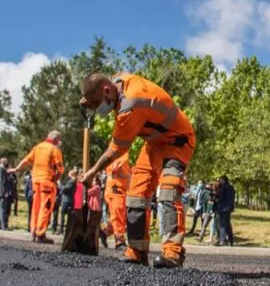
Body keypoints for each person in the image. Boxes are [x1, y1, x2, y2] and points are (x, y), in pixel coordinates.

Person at [78, 72, 196, 269]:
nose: (98, 108)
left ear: (107, 91)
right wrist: (91, 99)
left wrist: (91, 173)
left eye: (98, 102)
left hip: (177, 140)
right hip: (153, 144)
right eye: (94, 103)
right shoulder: (117, 82)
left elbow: (116, 149)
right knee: (135, 195)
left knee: (168, 191)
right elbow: (101, 86)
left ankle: (173, 254)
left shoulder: (131, 105)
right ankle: (137, 250)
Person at [9, 130, 65, 244]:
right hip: (47, 182)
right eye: (59, 139)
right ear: (56, 139)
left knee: (36, 207)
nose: (60, 142)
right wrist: (56, 179)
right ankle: (41, 234)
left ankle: (34, 231)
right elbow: (60, 168)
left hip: (36, 182)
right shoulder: (55, 150)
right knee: (45, 208)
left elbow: (26, 160)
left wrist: (16, 169)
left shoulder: (38, 147)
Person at [102, 149, 131, 250]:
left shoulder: (119, 154)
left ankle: (105, 232)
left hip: (118, 189)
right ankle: (119, 240)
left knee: (118, 215)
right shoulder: (119, 154)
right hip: (116, 189)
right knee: (118, 214)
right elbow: (116, 168)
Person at [53, 170, 78, 235]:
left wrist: (59, 184)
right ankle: (65, 229)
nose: (68, 174)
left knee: (62, 214)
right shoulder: (72, 182)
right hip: (69, 200)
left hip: (67, 200)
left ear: (71, 174)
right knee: (66, 214)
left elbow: (64, 189)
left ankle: (61, 229)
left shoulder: (72, 182)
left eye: (69, 173)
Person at [0, 157, 15, 230]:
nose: (7, 164)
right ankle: (3, 226)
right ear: (4, 163)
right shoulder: (1, 170)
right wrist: (5, 192)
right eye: (6, 162)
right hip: (1, 192)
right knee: (2, 209)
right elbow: (2, 182)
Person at [214, 175, 235, 246]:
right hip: (229, 208)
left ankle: (222, 240)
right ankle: (231, 240)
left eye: (220, 180)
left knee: (222, 224)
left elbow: (221, 198)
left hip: (222, 208)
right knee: (228, 224)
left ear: (223, 180)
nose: (220, 182)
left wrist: (216, 199)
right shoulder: (231, 187)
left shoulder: (223, 187)